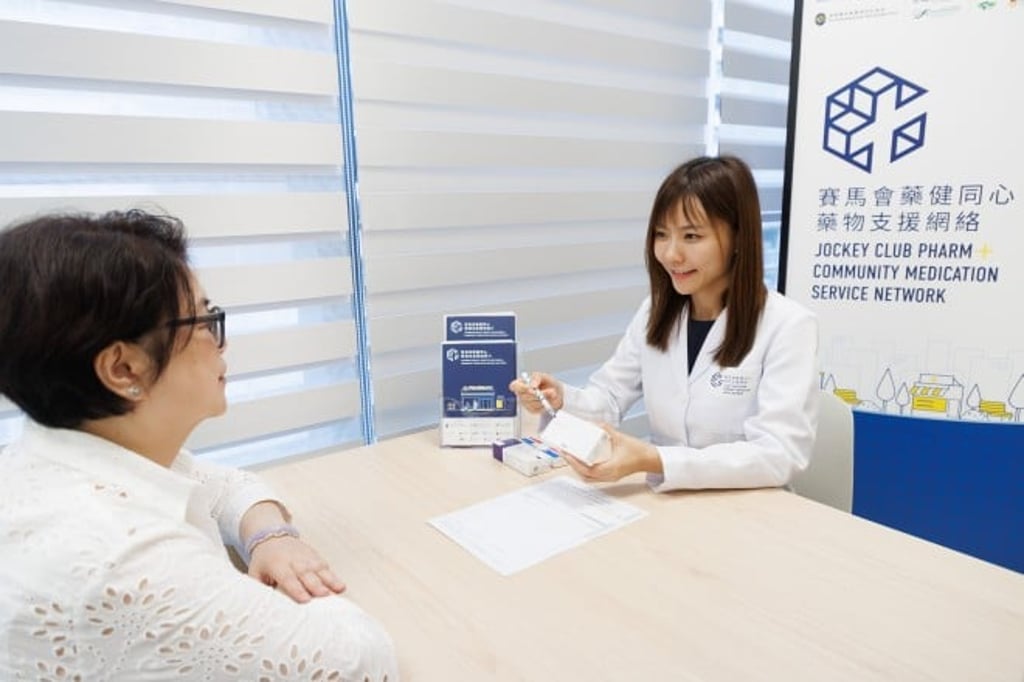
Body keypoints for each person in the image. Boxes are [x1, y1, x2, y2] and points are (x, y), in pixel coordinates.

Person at [0, 210, 397, 680]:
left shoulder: (50, 457)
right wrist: (302, 588)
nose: (220, 342)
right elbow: (358, 663)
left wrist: (272, 538)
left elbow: (218, 485)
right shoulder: (126, 558)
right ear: (124, 369)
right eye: (203, 321)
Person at [510, 156, 819, 492]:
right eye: (661, 234)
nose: (671, 254)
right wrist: (560, 398)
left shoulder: (788, 326)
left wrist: (656, 460)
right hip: (668, 507)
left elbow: (778, 455)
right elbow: (609, 399)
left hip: (750, 509)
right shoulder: (654, 313)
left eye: (691, 236)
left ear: (738, 238)